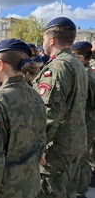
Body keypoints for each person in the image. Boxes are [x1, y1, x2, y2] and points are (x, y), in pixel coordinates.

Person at [0, 38, 47, 198]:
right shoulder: (35, 94)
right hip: (31, 183)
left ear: (1, 64)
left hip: (6, 189)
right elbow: (42, 137)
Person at [32, 17, 88, 198]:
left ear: (51, 40)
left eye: (43, 39)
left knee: (51, 192)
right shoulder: (77, 63)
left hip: (56, 148)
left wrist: (38, 147)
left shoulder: (57, 68)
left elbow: (49, 113)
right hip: (75, 141)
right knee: (68, 191)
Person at [71, 41, 95, 198]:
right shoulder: (89, 73)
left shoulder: (85, 75)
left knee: (82, 159)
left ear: (79, 57)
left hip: (85, 122)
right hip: (88, 121)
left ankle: (81, 190)